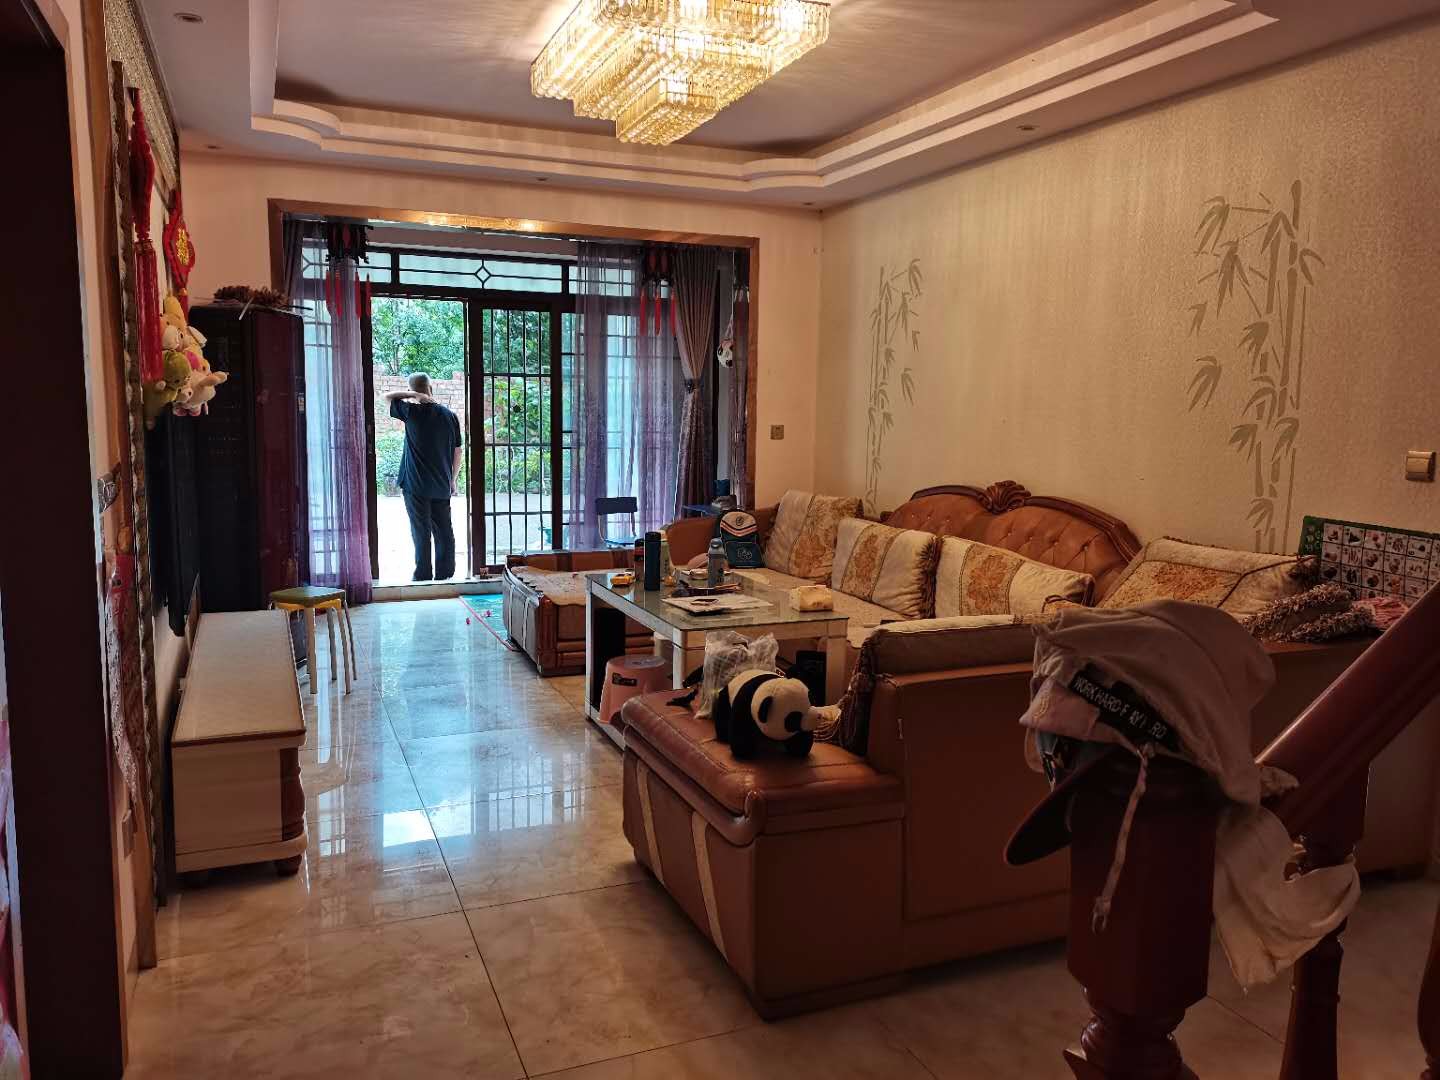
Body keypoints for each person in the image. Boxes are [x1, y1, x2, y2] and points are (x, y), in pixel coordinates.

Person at [384, 374, 463, 580]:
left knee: (421, 531)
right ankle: (445, 574)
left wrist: (412, 395)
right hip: (441, 483)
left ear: (413, 390)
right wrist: (453, 480)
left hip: (415, 484)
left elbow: (387, 397)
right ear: (431, 388)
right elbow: (458, 452)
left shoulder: (411, 412)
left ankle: (423, 575)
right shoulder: (450, 416)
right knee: (444, 530)